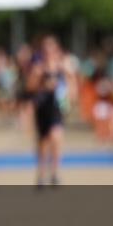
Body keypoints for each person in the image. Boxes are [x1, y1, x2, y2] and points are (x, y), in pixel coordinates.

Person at [27, 35, 72, 188]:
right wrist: (42, 84)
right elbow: (30, 87)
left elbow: (72, 85)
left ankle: (55, 172)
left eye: (51, 49)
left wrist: (69, 96)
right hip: (42, 107)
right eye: (45, 50)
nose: (49, 53)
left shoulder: (63, 67)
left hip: (57, 107)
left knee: (56, 136)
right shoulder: (38, 68)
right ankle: (41, 173)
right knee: (43, 141)